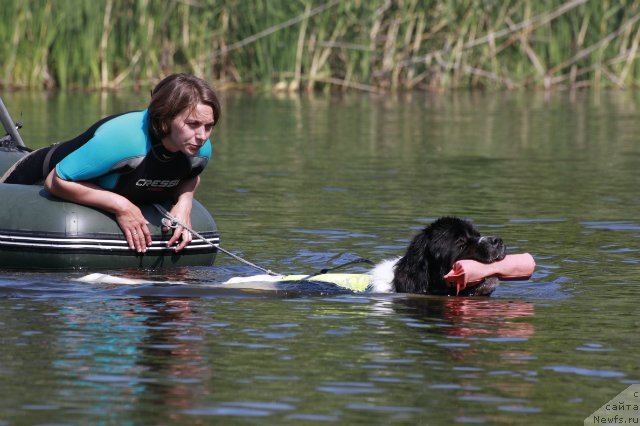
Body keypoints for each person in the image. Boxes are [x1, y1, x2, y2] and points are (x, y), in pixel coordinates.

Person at [1, 73, 221, 254]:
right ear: (166, 118)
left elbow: (190, 176)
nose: (202, 135)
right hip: (38, 174)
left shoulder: (200, 150)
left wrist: (185, 203)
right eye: (193, 124)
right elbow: (56, 180)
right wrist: (122, 206)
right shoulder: (126, 140)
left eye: (208, 126)